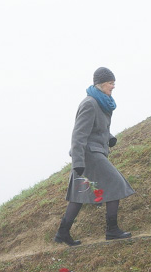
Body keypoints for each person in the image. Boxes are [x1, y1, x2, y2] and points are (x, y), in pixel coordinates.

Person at [55, 67, 135, 246]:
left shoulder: (102, 102)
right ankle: (112, 230)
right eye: (110, 83)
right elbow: (78, 135)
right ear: (101, 84)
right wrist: (78, 162)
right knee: (116, 183)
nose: (113, 86)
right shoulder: (90, 103)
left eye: (114, 83)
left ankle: (62, 233)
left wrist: (110, 138)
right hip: (89, 155)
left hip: (95, 151)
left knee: (79, 194)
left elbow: (99, 128)